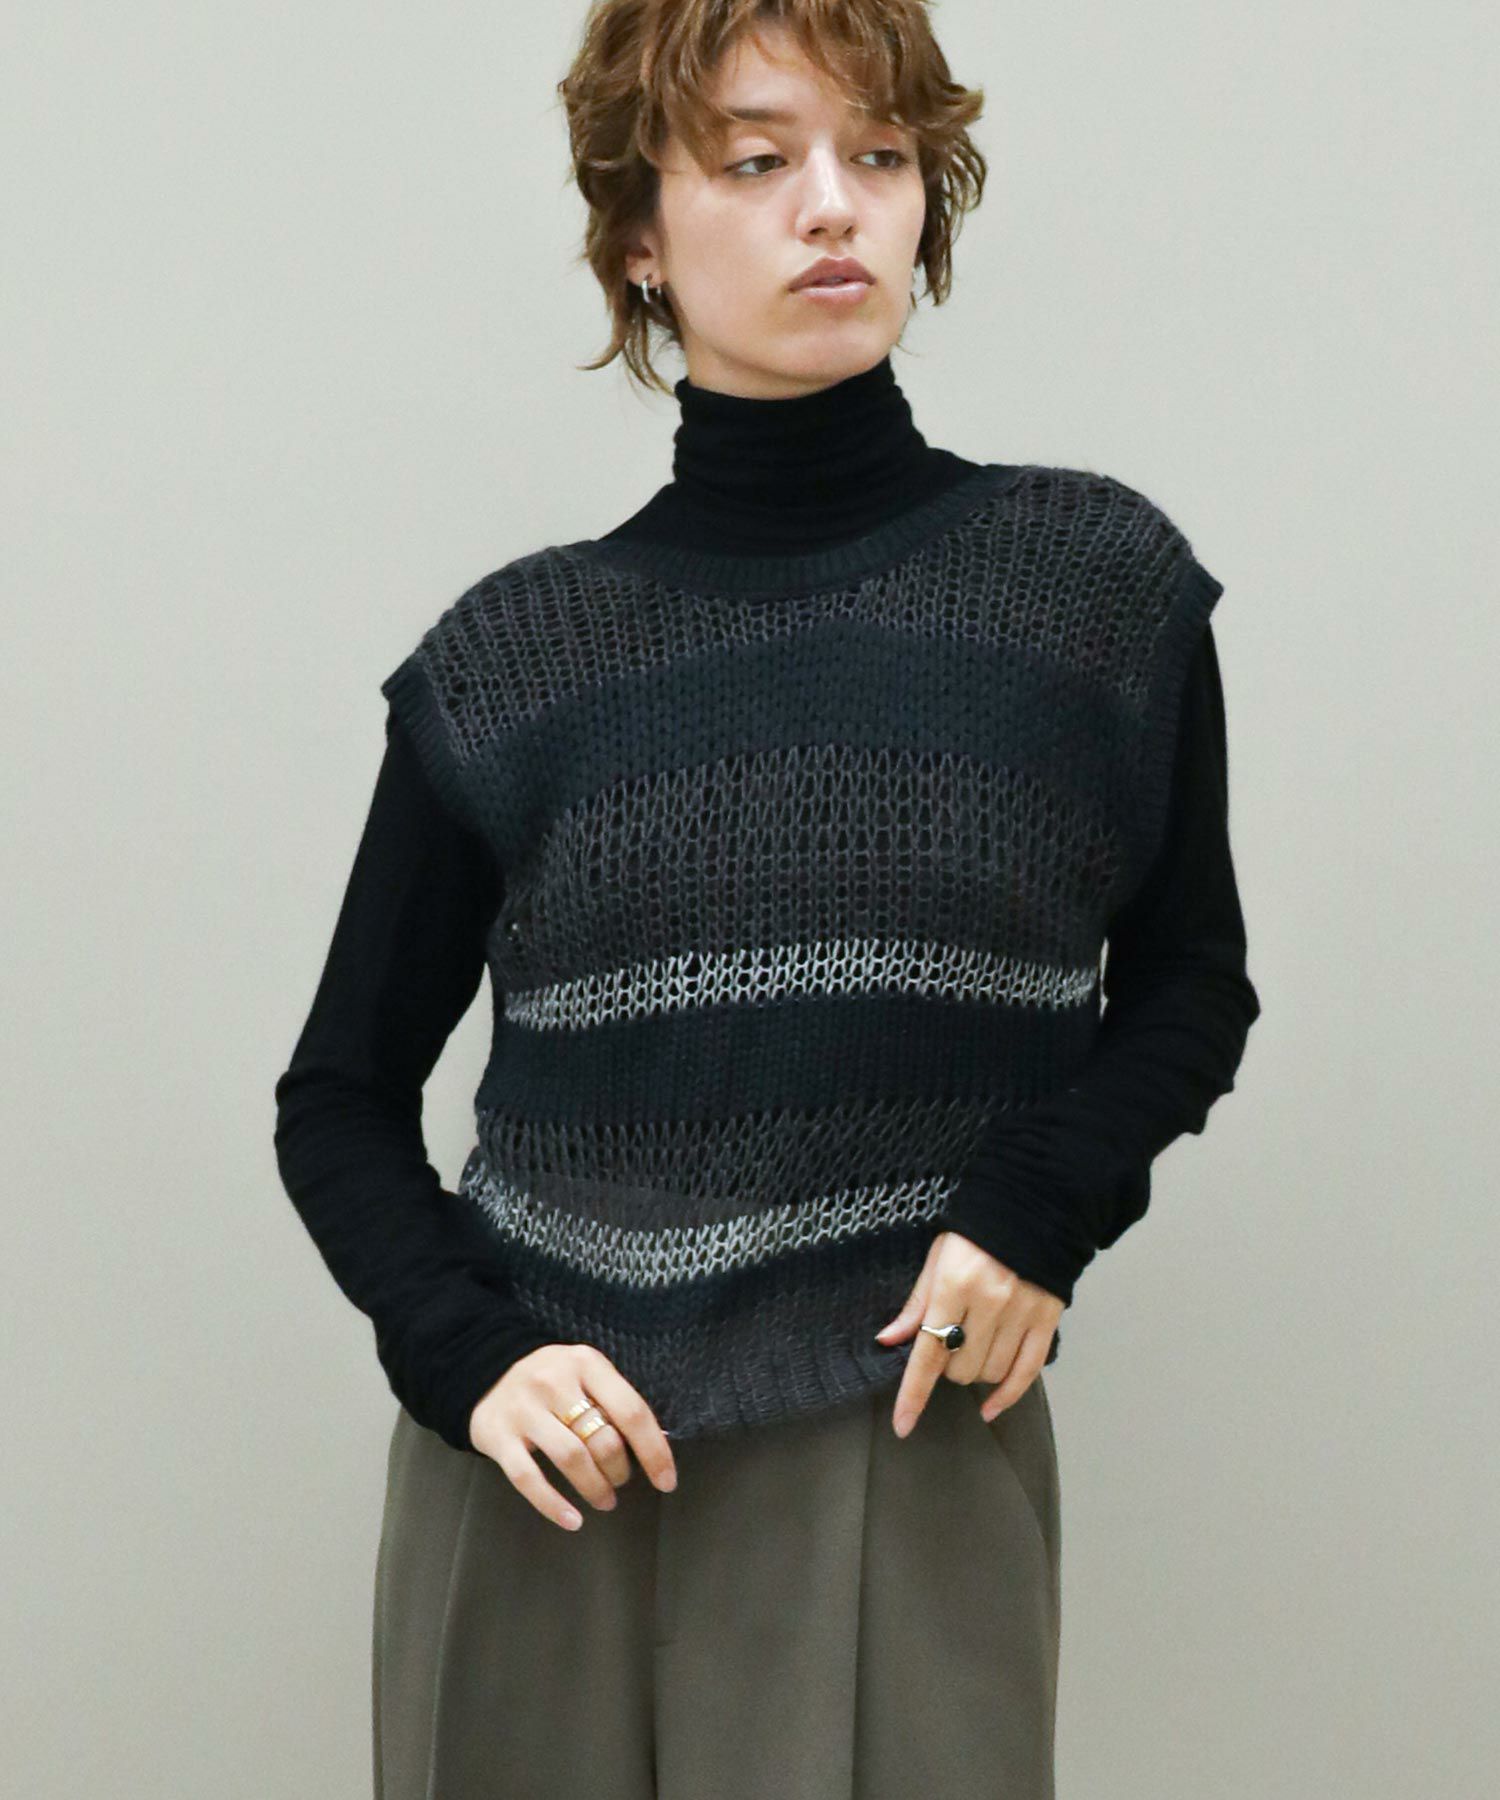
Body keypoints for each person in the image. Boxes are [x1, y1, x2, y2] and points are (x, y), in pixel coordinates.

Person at [272, 3, 1261, 1794]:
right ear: (638, 238)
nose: (833, 205)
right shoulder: (512, 663)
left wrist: (1039, 1213)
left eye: (880, 155)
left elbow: (1195, 981)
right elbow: (336, 1096)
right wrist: (469, 1355)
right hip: (550, 1476)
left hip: (901, 1439)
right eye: (755, 158)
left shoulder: (1092, 595)